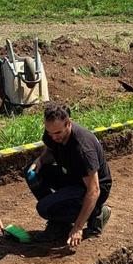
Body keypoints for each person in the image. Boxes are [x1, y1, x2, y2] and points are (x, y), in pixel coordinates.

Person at [25, 101, 112, 247]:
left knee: (44, 207)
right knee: (32, 173)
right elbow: (51, 149)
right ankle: (60, 222)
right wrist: (40, 160)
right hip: (73, 177)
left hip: (92, 188)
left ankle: (96, 213)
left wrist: (78, 228)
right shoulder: (53, 133)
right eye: (50, 133)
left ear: (68, 123)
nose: (54, 137)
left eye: (57, 133)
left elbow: (94, 190)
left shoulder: (83, 149)